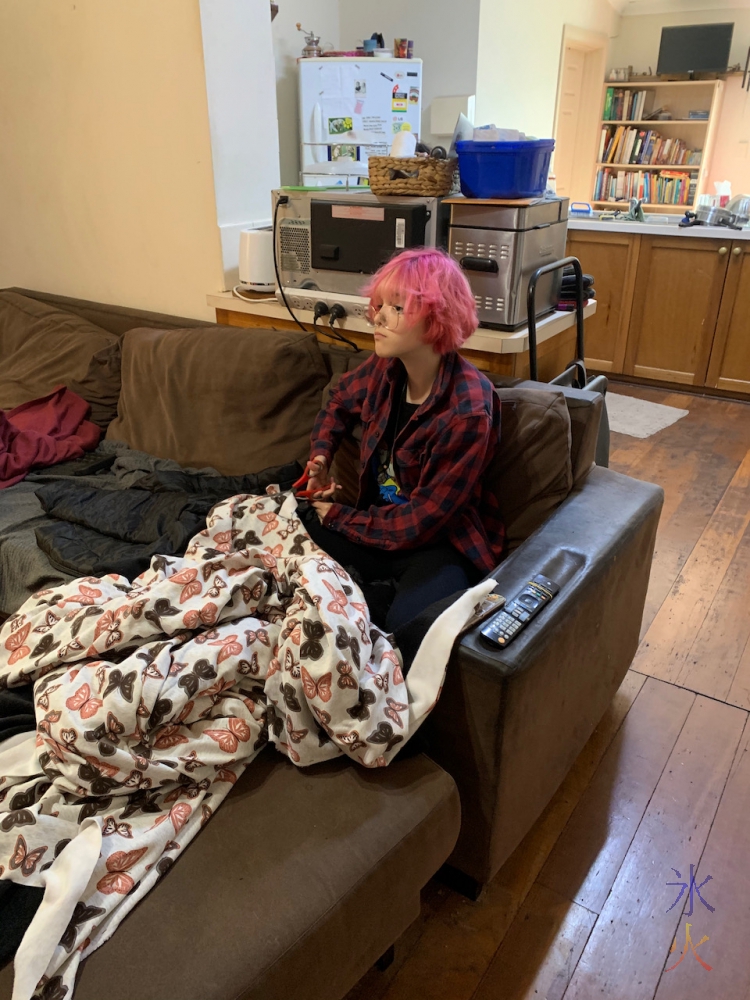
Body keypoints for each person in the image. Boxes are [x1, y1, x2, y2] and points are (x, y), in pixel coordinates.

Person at [301, 247, 504, 632]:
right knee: (286, 530)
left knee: (407, 632)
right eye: (379, 305)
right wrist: (322, 457)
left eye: (396, 308)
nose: (376, 317)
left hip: (436, 546)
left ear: (435, 319)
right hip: (375, 531)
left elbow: (422, 521)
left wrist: (341, 518)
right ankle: (367, 595)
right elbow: (339, 400)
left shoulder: (469, 410)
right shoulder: (385, 368)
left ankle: (372, 598)